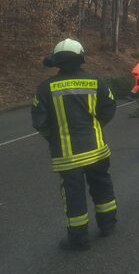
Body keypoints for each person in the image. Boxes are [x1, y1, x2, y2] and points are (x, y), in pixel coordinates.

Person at [31, 38, 118, 251]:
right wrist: (97, 126)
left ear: (57, 62)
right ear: (81, 58)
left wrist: (53, 138)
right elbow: (109, 106)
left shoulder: (44, 89)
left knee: (74, 195)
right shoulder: (96, 82)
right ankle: (107, 225)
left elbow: (39, 123)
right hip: (97, 150)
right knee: (102, 185)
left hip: (68, 156)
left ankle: (79, 239)